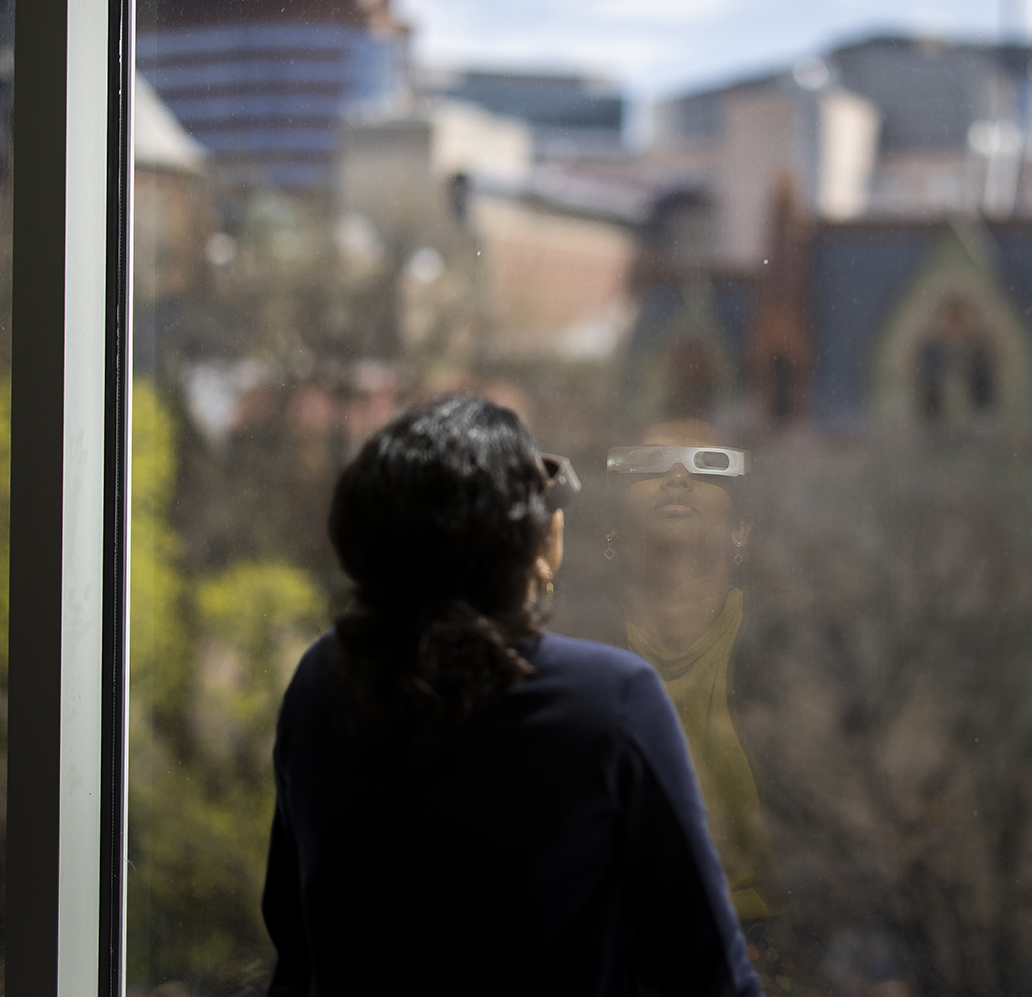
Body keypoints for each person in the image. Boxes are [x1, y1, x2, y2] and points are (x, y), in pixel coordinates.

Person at [260, 395, 761, 996]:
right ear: (531, 546)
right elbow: (709, 974)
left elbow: (296, 946)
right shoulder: (610, 704)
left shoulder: (323, 683)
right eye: (548, 494)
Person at [605, 419, 784, 934]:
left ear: (743, 527)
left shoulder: (789, 652)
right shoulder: (581, 650)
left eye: (706, 464)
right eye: (652, 464)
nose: (678, 476)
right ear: (613, 523)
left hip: (766, 938)